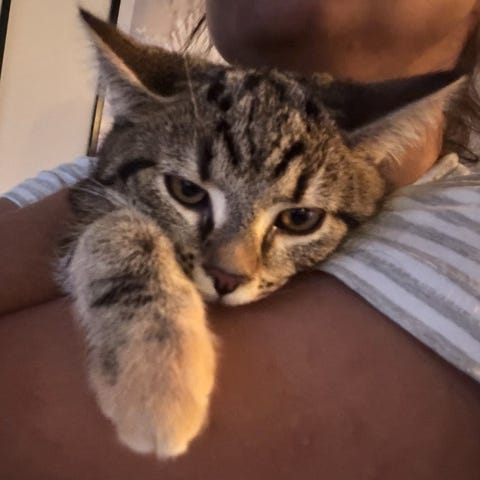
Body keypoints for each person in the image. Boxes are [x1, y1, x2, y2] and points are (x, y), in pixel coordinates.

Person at [1, 1, 480, 478]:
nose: (230, 268)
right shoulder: (86, 170)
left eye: (297, 218)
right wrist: (115, 239)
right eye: (189, 191)